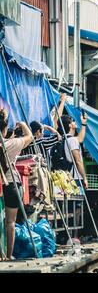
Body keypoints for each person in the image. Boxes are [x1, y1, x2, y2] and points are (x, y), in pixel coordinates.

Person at [0, 109, 33, 260]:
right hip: (11, 184)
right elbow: (30, 137)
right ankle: (8, 254)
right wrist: (23, 124)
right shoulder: (12, 144)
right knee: (10, 222)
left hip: (2, 185)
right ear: (5, 129)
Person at [57, 114, 89, 191]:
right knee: (77, 202)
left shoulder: (64, 139)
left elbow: (80, 139)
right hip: (75, 178)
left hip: (66, 177)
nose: (75, 122)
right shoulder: (72, 140)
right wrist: (84, 178)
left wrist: (83, 123)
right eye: (73, 121)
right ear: (70, 125)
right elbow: (78, 161)